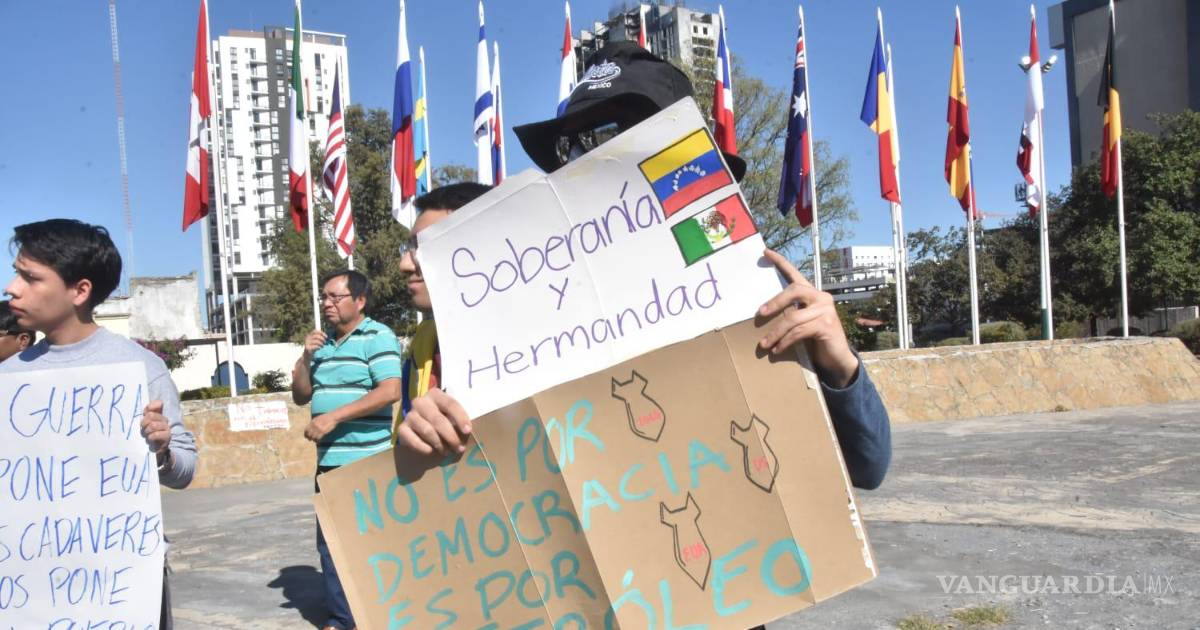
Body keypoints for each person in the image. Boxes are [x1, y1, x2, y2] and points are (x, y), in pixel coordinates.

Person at [398, 42, 891, 493]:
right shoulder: (517, 327)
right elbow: (488, 484)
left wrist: (838, 365)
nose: (589, 158)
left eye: (617, 133)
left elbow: (867, 466)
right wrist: (428, 437)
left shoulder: (759, 289)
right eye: (574, 144)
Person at [1, 219, 197, 628]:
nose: (11, 288)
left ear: (80, 291)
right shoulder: (9, 379)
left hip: (124, 586)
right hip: (31, 587)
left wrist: (162, 451)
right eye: (16, 274)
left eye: (30, 278)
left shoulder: (140, 367)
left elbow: (185, 471)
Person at [291, 269, 403, 630]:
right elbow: (300, 395)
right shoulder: (321, 345)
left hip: (365, 461)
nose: (327, 303)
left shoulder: (378, 336)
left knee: (370, 543)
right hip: (328, 464)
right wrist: (305, 358)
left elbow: (390, 390)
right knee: (331, 544)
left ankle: (386, 612)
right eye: (324, 297)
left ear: (360, 300)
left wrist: (334, 417)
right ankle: (343, 620)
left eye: (334, 297)